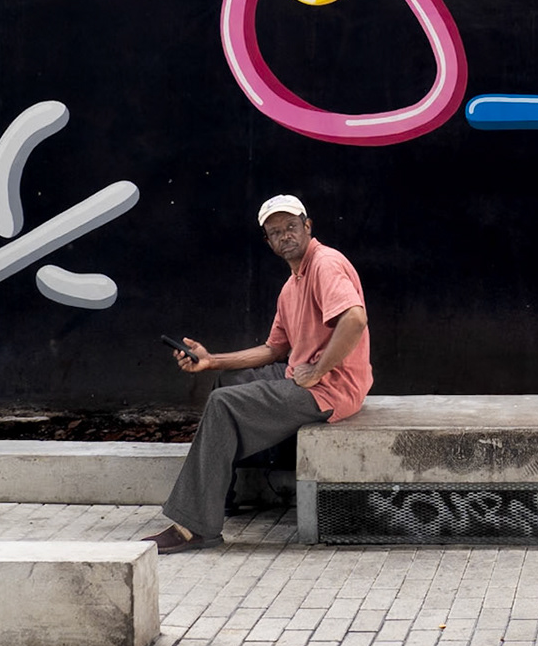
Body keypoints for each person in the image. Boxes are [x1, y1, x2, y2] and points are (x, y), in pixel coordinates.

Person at [142, 194, 371, 554]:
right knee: (226, 383)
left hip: (330, 389)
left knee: (224, 404)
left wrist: (318, 369)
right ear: (268, 241)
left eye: (291, 226)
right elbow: (274, 350)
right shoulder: (291, 286)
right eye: (275, 232)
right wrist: (211, 361)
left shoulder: (325, 264)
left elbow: (355, 319)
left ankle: (195, 527)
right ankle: (220, 497)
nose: (285, 236)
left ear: (308, 227)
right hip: (302, 377)